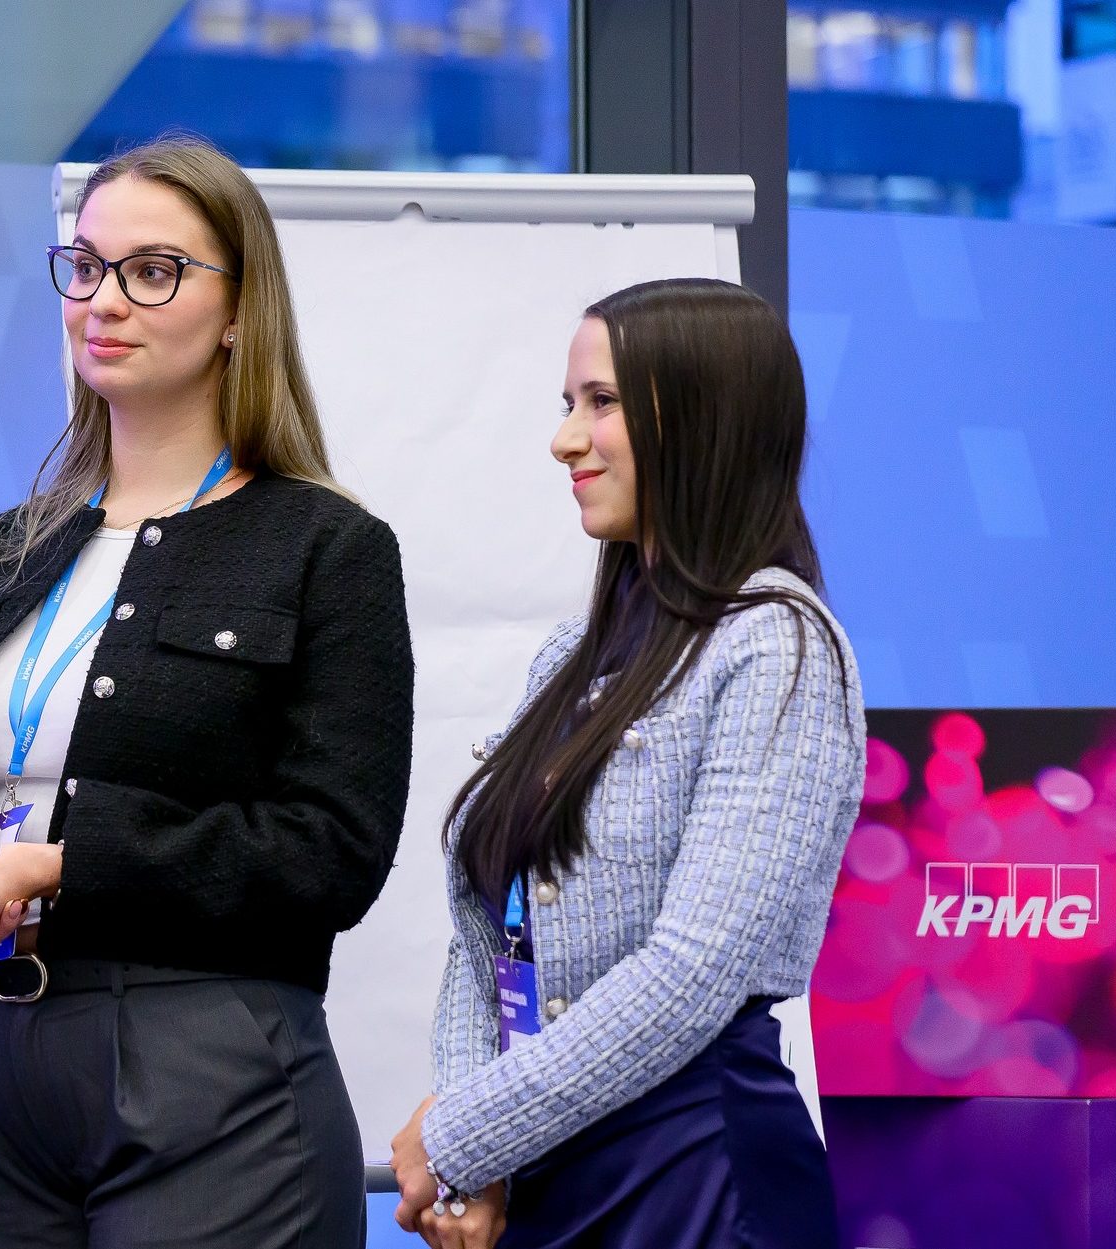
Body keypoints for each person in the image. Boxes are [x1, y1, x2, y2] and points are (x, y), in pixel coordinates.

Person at [0, 135, 413, 1248]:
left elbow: (331, 850)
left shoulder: (324, 546)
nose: (104, 300)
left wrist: (58, 863)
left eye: (154, 272)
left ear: (239, 311)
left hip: (206, 1058)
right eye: (87, 266)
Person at [390, 278, 865, 1249]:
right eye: (568, 403)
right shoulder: (569, 654)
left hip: (694, 1176)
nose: (564, 440)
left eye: (599, 402)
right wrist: (477, 1162)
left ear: (703, 416)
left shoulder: (777, 642)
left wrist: (461, 1135)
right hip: (546, 1168)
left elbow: (693, 972)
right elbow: (485, 938)